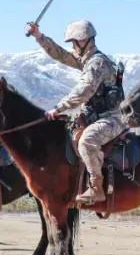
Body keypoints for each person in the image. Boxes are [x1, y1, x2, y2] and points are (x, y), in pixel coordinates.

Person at [26, 20, 125, 206]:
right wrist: (39, 36)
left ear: (83, 41)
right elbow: (61, 55)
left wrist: (59, 108)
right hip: (92, 116)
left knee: (87, 141)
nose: (72, 46)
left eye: (74, 42)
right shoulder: (86, 60)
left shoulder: (97, 63)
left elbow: (84, 91)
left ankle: (97, 188)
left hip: (111, 119)